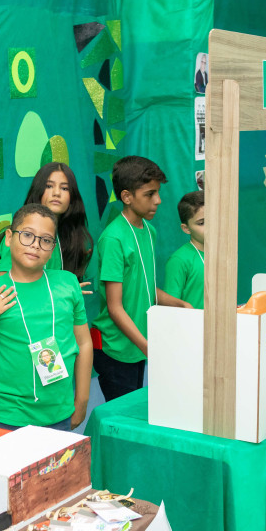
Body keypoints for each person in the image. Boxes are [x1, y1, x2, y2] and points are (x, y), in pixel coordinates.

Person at [0, 203, 92, 430]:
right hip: (6, 417)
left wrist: (82, 400)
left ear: (52, 248)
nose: (35, 245)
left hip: (58, 413)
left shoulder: (68, 283)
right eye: (28, 235)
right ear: (9, 238)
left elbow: (84, 343)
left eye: (46, 240)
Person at [91, 156, 190, 401]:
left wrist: (181, 304)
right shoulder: (113, 239)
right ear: (127, 197)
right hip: (116, 349)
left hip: (138, 346)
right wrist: (147, 345)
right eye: (150, 194)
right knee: (122, 415)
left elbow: (145, 287)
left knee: (138, 408)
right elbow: (115, 307)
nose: (158, 200)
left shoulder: (149, 230)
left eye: (158, 192)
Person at [0, 162, 93, 281]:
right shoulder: (19, 235)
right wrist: (62, 291)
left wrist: (71, 289)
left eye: (64, 188)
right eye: (49, 186)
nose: (56, 193)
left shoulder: (68, 236)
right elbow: (6, 287)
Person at [164, 190, 205, 309]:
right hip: (191, 321)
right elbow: (171, 306)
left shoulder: (223, 255)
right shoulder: (179, 260)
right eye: (201, 223)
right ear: (186, 228)